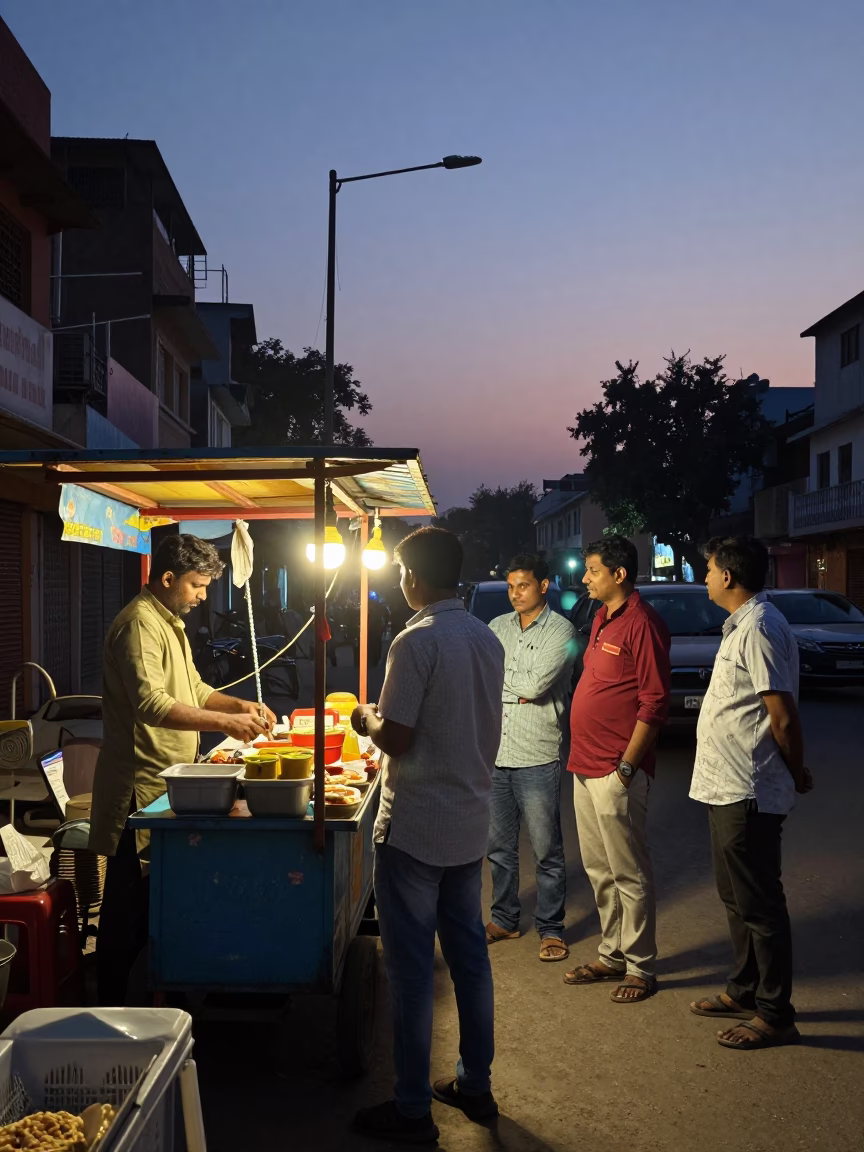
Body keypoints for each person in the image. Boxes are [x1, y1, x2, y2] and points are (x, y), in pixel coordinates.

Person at [350, 528, 505, 1145]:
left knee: (412, 972)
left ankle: (413, 1109)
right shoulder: (485, 638)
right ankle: (476, 1085)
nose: (397, 580)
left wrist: (366, 719)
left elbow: (398, 737)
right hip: (469, 822)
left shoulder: (415, 642)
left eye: (398, 571)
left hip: (415, 827)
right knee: (470, 959)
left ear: (413, 576)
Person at [90, 534, 276, 1005]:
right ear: (168, 578)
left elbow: (191, 687)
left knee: (159, 901)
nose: (203, 595)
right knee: (127, 912)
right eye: (196, 585)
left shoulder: (168, 621)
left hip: (170, 782)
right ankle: (112, 1011)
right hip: (139, 788)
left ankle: (160, 995)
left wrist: (240, 703)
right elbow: (152, 704)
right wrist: (228, 722)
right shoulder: (138, 626)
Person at [689, 536, 812, 1050]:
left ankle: (775, 1013)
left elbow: (780, 715)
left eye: (710, 569)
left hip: (749, 788)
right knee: (735, 898)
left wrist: (796, 769)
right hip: (725, 786)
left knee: (760, 904)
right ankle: (743, 990)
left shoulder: (760, 628)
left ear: (730, 577)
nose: (705, 577)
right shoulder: (740, 626)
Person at [564, 535, 670, 1003]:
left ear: (618, 574)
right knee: (598, 869)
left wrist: (627, 767)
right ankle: (611, 955)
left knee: (629, 871)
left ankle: (641, 966)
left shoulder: (643, 624)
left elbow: (654, 701)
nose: (584, 578)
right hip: (584, 765)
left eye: (592, 570)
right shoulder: (601, 618)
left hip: (615, 770)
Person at [485, 554, 576, 961]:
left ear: (543, 585)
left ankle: (551, 928)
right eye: (510, 586)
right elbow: (482, 679)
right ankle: (504, 919)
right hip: (495, 753)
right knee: (499, 848)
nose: (515, 593)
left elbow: (537, 685)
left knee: (546, 850)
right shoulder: (496, 627)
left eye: (523, 585)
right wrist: (512, 686)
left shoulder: (563, 630)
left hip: (538, 754)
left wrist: (501, 680)